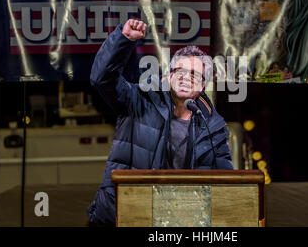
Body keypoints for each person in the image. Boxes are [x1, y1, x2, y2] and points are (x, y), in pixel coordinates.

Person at [87, 19, 233, 226]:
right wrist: (123, 39)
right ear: (168, 76)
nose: (186, 78)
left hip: (178, 221)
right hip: (125, 213)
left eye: (194, 74)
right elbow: (102, 78)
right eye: (180, 71)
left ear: (202, 85)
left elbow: (227, 183)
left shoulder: (213, 126)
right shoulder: (139, 100)